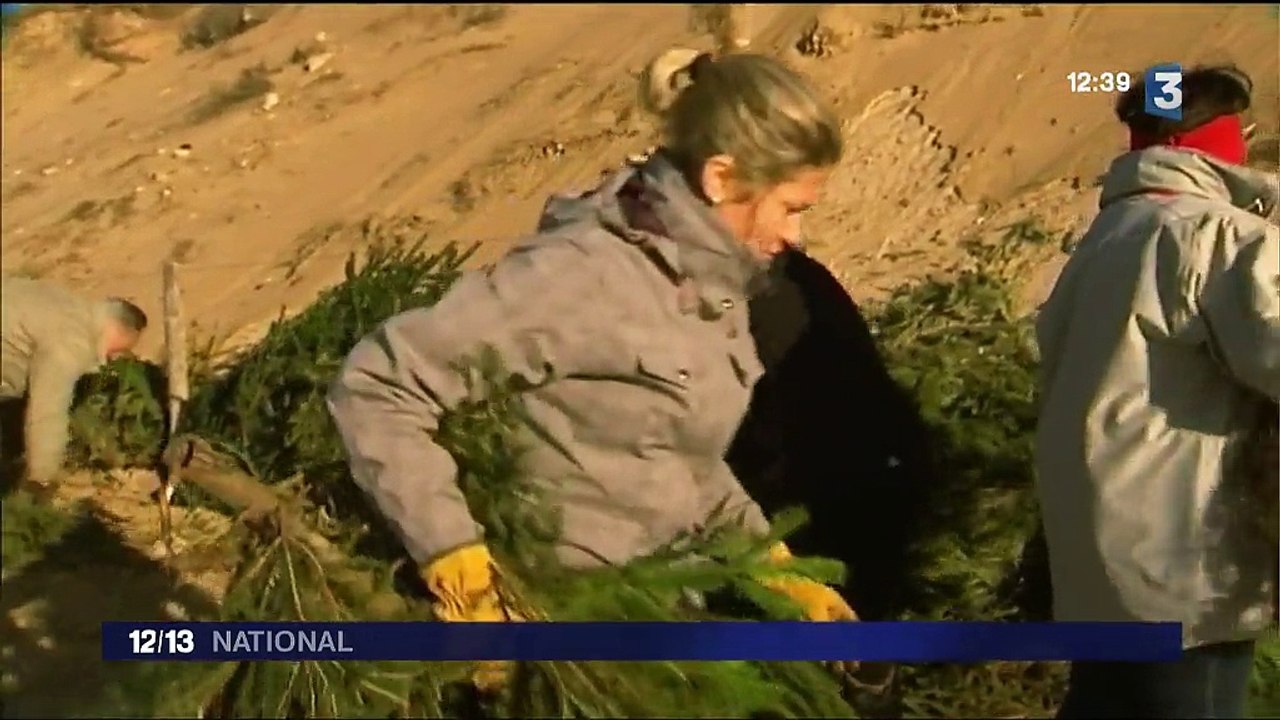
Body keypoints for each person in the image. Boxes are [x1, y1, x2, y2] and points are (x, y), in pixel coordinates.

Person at [328, 47, 855, 656]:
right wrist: (456, 563)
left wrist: (775, 570)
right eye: (791, 209)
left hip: (657, 610)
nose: (796, 236)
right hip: (558, 623)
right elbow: (380, 384)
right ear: (721, 180)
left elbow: (677, 461)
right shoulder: (582, 277)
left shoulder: (712, 293)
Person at [1034, 63, 1278, 719]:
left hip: (1098, 569)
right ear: (1230, 141)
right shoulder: (1216, 235)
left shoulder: (1104, 240)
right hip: (1183, 574)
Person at [726, 243, 938, 622]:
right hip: (826, 529)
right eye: (788, 209)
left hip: (819, 530)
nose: (791, 231)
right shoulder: (791, 280)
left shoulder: (777, 289)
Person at [0, 276, 148, 492]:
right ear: (116, 330)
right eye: (119, 350)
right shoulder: (73, 343)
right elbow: (48, 409)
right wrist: (42, 477)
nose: (114, 359)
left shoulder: (69, 305)